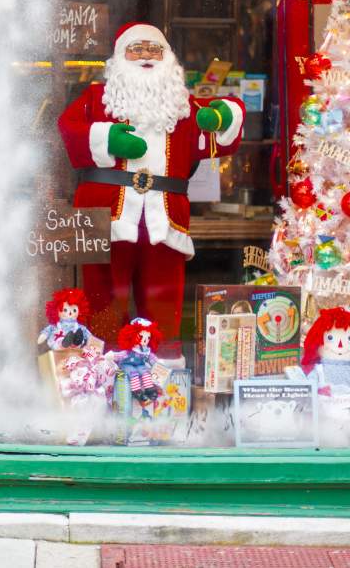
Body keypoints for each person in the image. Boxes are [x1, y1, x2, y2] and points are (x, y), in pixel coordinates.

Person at [58, 22, 245, 358]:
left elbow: (222, 127)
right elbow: (69, 128)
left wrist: (223, 116)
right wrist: (107, 139)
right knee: (104, 295)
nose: (146, 55)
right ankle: (103, 362)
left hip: (164, 216)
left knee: (162, 295)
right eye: (136, 49)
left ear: (167, 57)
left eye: (154, 49)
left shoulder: (182, 106)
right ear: (120, 56)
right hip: (106, 214)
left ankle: (163, 363)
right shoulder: (96, 99)